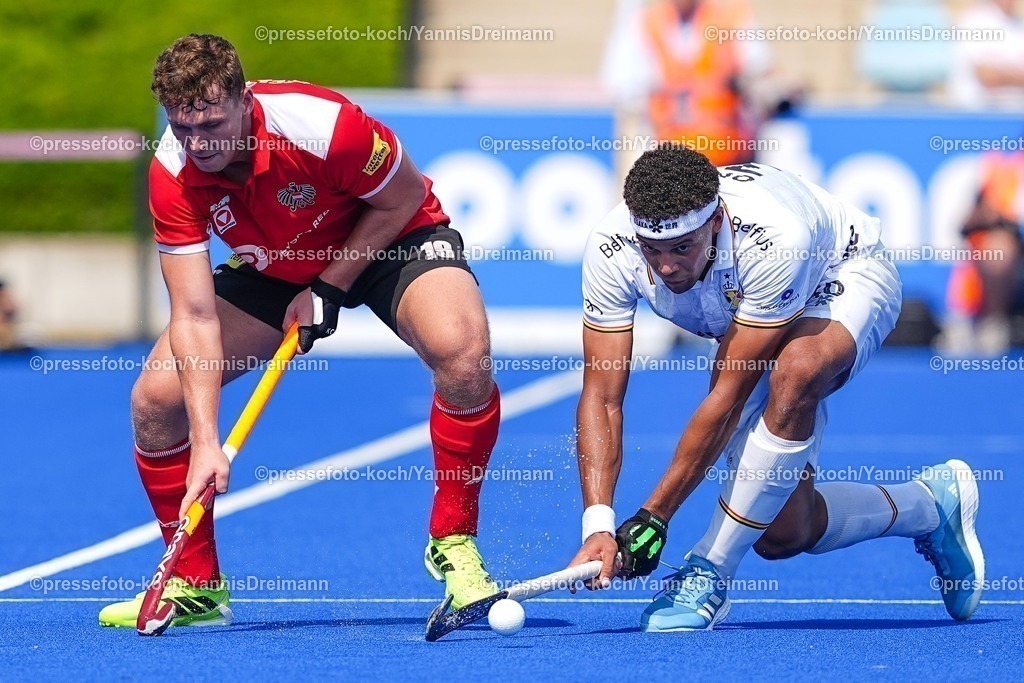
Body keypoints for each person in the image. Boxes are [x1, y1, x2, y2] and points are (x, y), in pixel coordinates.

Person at [99, 34, 500, 628]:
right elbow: (194, 315)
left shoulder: (321, 125)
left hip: (388, 238)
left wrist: (330, 285)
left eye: (211, 125)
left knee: (463, 353)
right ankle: (197, 585)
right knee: (156, 401)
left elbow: (404, 197)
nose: (198, 144)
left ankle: (454, 541)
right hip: (275, 263)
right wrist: (206, 440)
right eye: (183, 129)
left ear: (244, 101)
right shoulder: (172, 172)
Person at [568, 146, 985, 631]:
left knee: (797, 371)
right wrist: (598, 523)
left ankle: (709, 571)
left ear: (716, 222)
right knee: (782, 533)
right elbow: (602, 397)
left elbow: (727, 400)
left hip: (843, 271)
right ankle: (931, 506)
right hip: (753, 312)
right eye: (652, 249)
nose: (665, 267)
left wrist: (653, 519)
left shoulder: (775, 239)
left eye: (682, 248)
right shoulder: (610, 248)